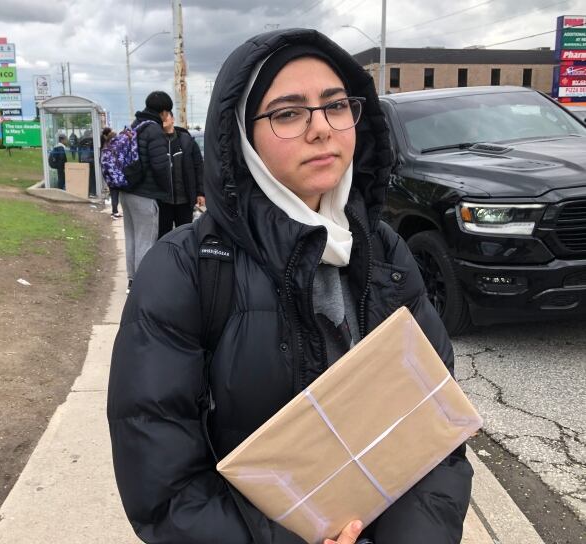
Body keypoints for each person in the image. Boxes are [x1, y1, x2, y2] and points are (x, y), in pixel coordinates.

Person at [108, 28, 472, 544]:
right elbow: (163, 487)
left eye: (336, 105)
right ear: (241, 137)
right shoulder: (185, 271)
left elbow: (435, 431)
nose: (321, 129)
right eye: (287, 113)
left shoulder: (385, 251)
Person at [118, 90, 172, 293]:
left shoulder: (134, 126)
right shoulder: (154, 130)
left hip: (126, 191)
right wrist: (167, 189)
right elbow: (160, 166)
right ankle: (143, 285)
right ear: (164, 112)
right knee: (145, 238)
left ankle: (132, 281)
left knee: (131, 236)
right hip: (145, 193)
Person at [157, 110, 206, 238]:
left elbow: (199, 167)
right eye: (160, 116)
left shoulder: (187, 141)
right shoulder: (156, 142)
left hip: (185, 199)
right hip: (163, 201)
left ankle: (184, 258)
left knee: (184, 235)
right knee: (164, 236)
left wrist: (201, 192)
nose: (163, 118)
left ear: (173, 119)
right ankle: (165, 258)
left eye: (165, 115)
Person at [100, 127, 122, 219]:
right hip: (114, 174)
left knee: (114, 193)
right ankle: (115, 212)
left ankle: (115, 211)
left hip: (108, 174)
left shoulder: (105, 147)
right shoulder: (112, 148)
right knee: (115, 193)